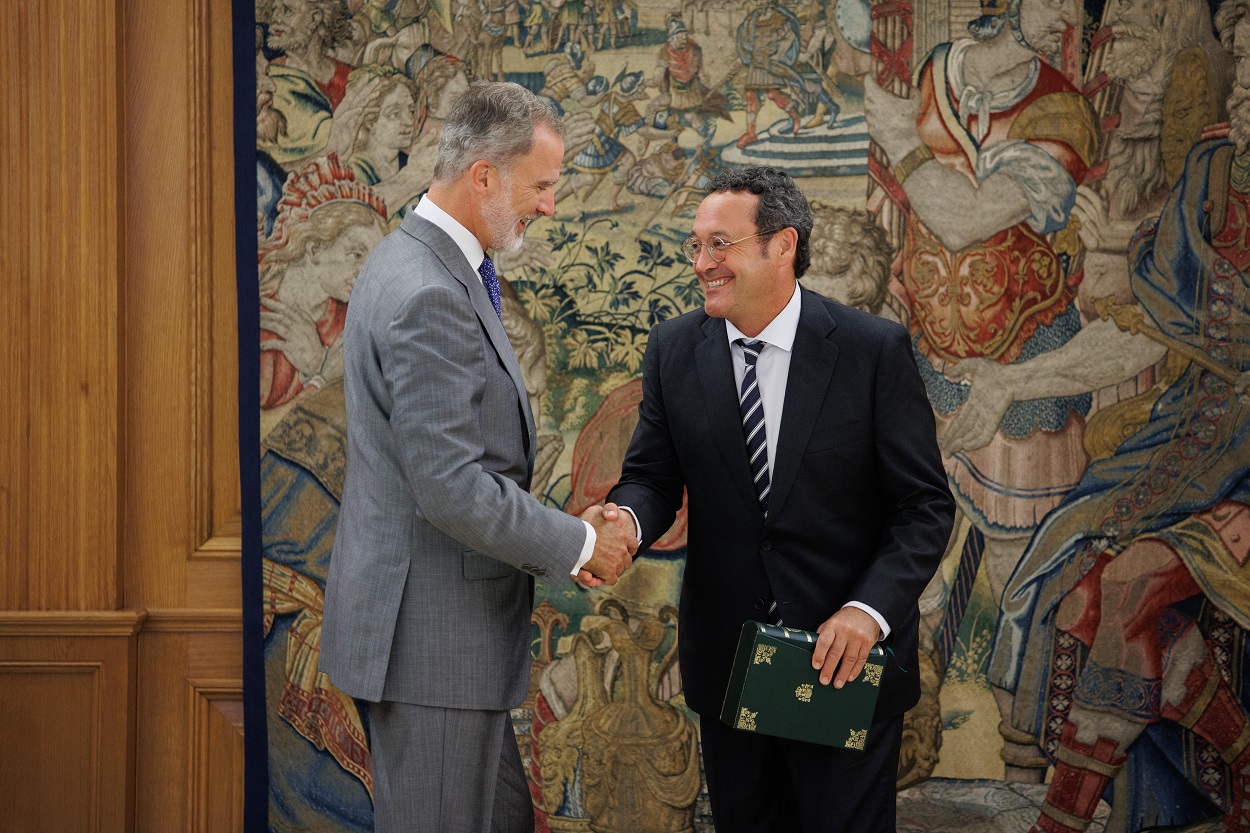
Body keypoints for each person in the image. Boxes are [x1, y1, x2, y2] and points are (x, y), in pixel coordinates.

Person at [318, 81, 637, 833]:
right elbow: (452, 486)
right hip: (431, 648)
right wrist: (583, 541)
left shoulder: (417, 261)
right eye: (543, 185)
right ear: (484, 174)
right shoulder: (427, 289)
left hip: (444, 645)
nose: (550, 205)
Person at [607, 165, 955, 832]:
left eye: (720, 244)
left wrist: (868, 610)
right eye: (695, 245)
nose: (702, 263)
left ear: (783, 244)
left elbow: (924, 507)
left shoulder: (871, 350)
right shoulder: (674, 348)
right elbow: (651, 479)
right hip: (730, 670)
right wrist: (623, 519)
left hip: (842, 668)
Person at [984, 2, 1250, 828]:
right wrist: (1009, 384)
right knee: (1077, 591)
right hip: (1187, 437)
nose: (1248, 83)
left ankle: (1059, 820)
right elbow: (1148, 326)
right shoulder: (1208, 174)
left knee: (1128, 584)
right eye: (1241, 57)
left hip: (1243, 467)